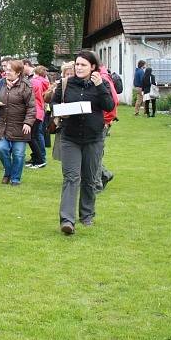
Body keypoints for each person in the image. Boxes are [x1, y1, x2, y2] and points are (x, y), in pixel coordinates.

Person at [52, 51, 115, 235]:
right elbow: (54, 104)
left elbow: (109, 105)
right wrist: (60, 111)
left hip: (93, 139)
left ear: (93, 67)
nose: (78, 68)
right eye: (77, 64)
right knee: (71, 178)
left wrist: (100, 86)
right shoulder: (65, 84)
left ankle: (86, 215)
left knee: (89, 179)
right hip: (70, 138)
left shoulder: (100, 84)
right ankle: (67, 220)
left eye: (83, 65)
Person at [0, 60, 35, 186]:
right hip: (2, 124)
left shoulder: (26, 86)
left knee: (18, 154)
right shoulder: (0, 83)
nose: (6, 72)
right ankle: (8, 172)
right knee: (2, 149)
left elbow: (31, 107)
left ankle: (15, 179)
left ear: (18, 72)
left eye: (10, 70)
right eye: (6, 69)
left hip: (20, 125)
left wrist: (28, 122)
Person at [94, 65, 120, 192]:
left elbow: (113, 102)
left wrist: (106, 120)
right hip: (102, 120)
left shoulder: (102, 79)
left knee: (95, 154)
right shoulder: (104, 76)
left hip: (102, 122)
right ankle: (104, 174)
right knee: (94, 153)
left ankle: (98, 183)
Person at [25, 65, 50, 169]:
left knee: (31, 137)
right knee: (34, 136)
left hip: (35, 111)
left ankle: (39, 160)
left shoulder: (34, 82)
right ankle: (36, 159)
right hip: (39, 111)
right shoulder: (43, 82)